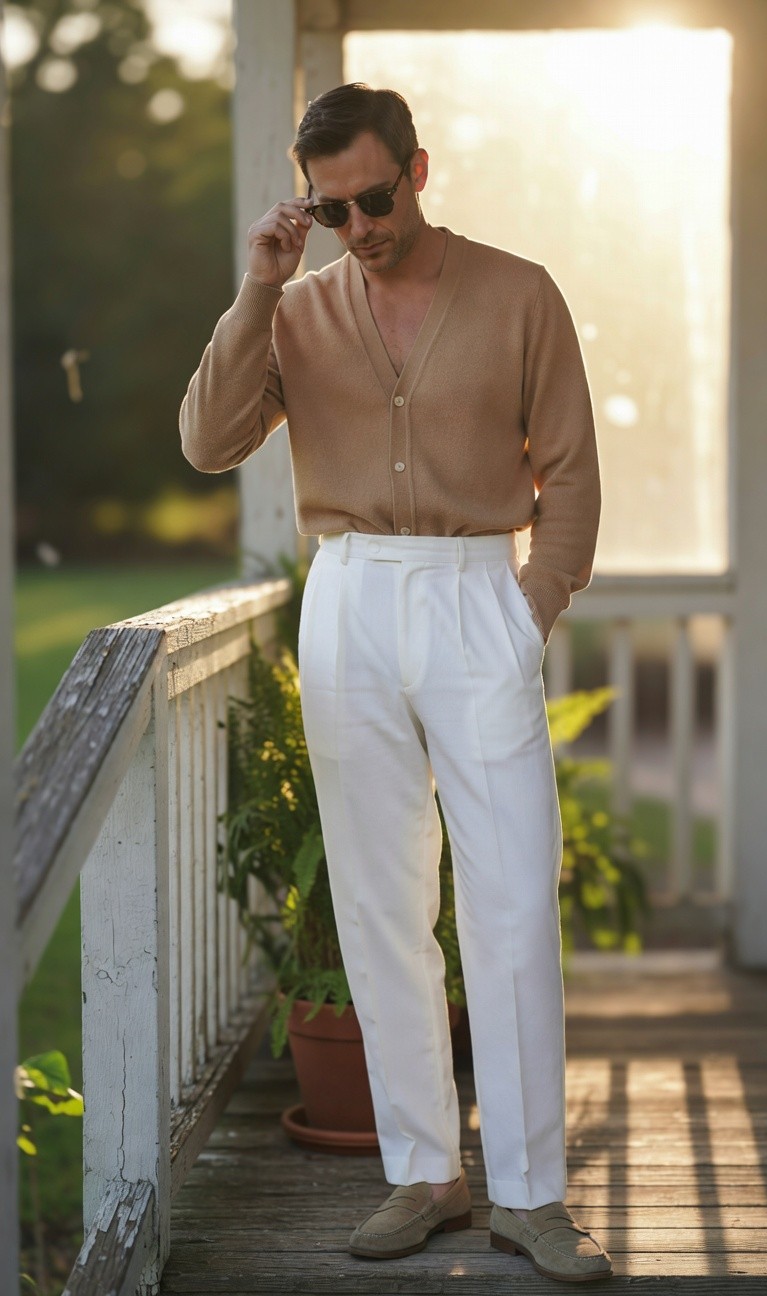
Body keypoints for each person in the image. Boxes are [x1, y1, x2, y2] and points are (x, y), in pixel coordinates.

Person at [180, 83, 611, 1284]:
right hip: (353, 597)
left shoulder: (520, 292)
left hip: (483, 592)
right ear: (310, 206)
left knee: (513, 891)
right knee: (378, 899)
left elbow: (570, 469)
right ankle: (425, 1172)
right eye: (332, 209)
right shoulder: (298, 307)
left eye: (376, 196)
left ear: (418, 170)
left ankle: (531, 1195)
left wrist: (535, 604)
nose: (360, 224)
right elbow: (208, 442)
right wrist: (260, 285)